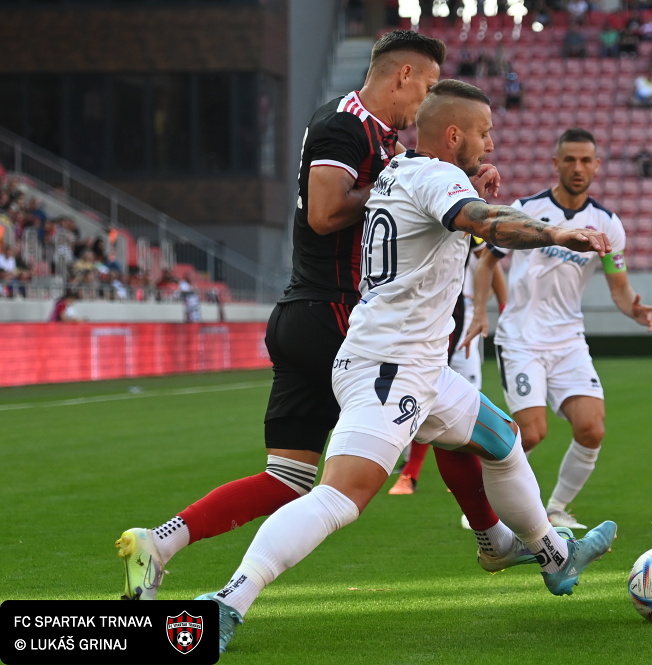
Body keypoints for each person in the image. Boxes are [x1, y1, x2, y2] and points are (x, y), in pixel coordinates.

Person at [196, 81, 618, 652]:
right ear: (454, 136)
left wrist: (472, 190)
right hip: (390, 370)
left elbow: (452, 215)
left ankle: (548, 554)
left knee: (501, 438)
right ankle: (227, 601)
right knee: (339, 497)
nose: (492, 143)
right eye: (484, 133)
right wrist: (556, 231)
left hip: (411, 363)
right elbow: (486, 222)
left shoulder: (399, 169)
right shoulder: (438, 178)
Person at [113, 29, 467, 601]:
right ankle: (511, 538)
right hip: (336, 314)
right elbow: (326, 213)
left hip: (309, 314)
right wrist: (397, 191)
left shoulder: (377, 136)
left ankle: (158, 543)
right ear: (402, 75)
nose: (426, 103)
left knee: (288, 478)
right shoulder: (343, 125)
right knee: (460, 423)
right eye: (427, 87)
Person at [466, 128, 652, 530]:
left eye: (586, 160)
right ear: (556, 163)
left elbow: (619, 287)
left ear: (597, 166)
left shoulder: (608, 224)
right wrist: (481, 312)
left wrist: (634, 309)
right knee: (531, 433)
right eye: (569, 160)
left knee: (592, 429)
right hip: (521, 338)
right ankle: (482, 506)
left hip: (568, 341)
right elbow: (487, 261)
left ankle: (556, 507)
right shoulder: (527, 209)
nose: (577, 167)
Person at [388, 237, 508, 495]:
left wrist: (498, 309)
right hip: (416, 312)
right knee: (419, 387)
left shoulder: (465, 220)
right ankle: (409, 471)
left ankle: (465, 474)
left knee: (464, 398)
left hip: (458, 312)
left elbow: (489, 258)